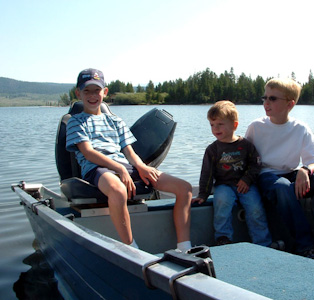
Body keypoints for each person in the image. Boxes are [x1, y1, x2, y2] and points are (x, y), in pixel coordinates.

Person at [66, 68, 192, 252]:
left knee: (184, 188)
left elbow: (129, 152)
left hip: (123, 166)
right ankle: (131, 249)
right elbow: (88, 153)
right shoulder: (74, 121)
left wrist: (141, 167)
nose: (92, 96)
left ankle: (184, 248)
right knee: (118, 189)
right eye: (87, 91)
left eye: (97, 91)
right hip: (96, 169)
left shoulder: (116, 121)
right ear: (78, 93)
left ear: (105, 92)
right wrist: (120, 169)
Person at [245, 78, 314, 264]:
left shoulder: (300, 128)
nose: (266, 103)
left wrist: (305, 169)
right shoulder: (256, 127)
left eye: (273, 99)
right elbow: (245, 159)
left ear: (290, 104)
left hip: (291, 173)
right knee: (283, 187)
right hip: (266, 176)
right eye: (264, 97)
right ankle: (305, 246)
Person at [193, 100, 272, 247]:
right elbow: (207, 173)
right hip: (224, 185)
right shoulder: (212, 149)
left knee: (255, 209)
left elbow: (256, 164)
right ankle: (223, 238)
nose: (215, 128)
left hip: (246, 185)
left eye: (220, 124)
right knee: (221, 203)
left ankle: (263, 242)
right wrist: (203, 194)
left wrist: (247, 179)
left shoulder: (246, 145)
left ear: (234, 125)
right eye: (212, 125)